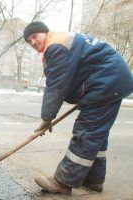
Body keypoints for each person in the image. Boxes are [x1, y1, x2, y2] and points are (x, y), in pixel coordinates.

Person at [23, 21, 133, 194]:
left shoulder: (56, 46)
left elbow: (56, 85)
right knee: (96, 134)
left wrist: (47, 118)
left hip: (106, 82)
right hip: (110, 80)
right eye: (29, 41)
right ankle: (93, 180)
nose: (33, 42)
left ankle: (63, 182)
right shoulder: (59, 42)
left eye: (34, 36)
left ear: (44, 32)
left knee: (86, 132)